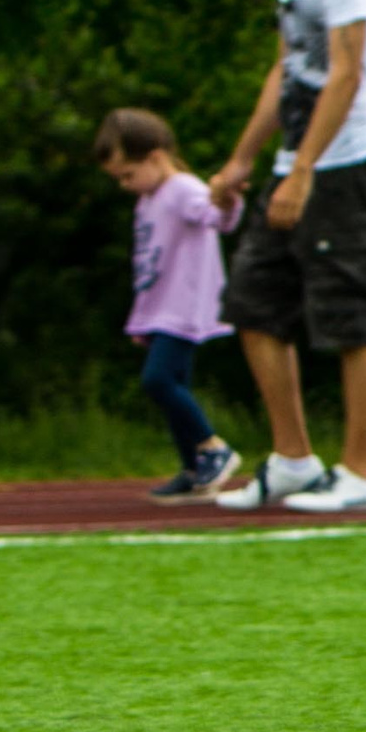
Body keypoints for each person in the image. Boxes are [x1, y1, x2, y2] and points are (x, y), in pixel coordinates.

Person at [207, 0, 366, 514]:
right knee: (254, 308)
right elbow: (288, 70)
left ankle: (361, 472)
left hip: (342, 167)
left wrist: (305, 170)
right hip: (296, 163)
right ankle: (292, 459)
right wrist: (244, 158)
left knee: (350, 319)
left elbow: (346, 73)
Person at [95, 108, 245, 503]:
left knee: (157, 381)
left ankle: (212, 449)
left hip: (184, 305)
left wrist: (226, 199)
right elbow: (149, 262)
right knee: (173, 386)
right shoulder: (149, 198)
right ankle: (194, 470)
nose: (125, 185)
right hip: (163, 309)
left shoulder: (180, 189)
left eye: (128, 174)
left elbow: (217, 217)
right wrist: (143, 318)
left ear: (156, 157)